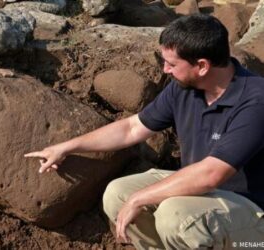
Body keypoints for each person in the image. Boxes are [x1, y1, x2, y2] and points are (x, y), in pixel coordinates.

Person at [25, 14, 264, 249]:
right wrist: (67, 146)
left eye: (172, 64)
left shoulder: (256, 100)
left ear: (202, 66)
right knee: (118, 194)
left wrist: (140, 198)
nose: (165, 70)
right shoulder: (184, 88)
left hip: (252, 215)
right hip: (202, 193)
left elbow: (212, 174)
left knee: (176, 215)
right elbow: (132, 128)